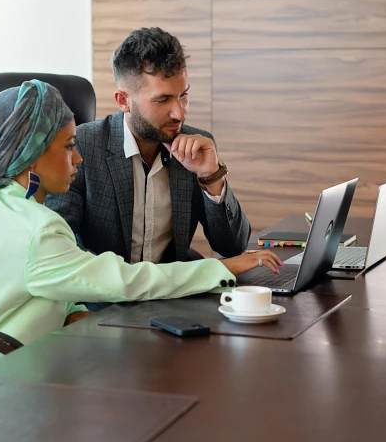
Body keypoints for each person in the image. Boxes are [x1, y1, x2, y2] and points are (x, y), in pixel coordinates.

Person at [0, 80, 281, 398]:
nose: (79, 159)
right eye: (69, 147)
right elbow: (127, 279)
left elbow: (34, 280)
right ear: (32, 158)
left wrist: (75, 312)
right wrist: (221, 268)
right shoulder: (38, 230)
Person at [46, 27, 251, 272]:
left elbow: (233, 247)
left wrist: (211, 177)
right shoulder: (82, 148)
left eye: (183, 95)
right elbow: (57, 253)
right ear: (124, 101)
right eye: (163, 100)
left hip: (172, 300)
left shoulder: (196, 146)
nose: (180, 113)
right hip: (105, 301)